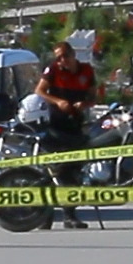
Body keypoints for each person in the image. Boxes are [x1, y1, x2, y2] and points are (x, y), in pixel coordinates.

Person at [36, 40, 99, 229]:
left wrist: (84, 104)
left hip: (76, 124)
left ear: (73, 54)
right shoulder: (54, 70)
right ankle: (45, 216)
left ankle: (69, 215)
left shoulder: (86, 71)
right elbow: (39, 90)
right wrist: (58, 102)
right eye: (59, 58)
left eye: (65, 56)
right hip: (56, 125)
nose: (62, 60)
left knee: (73, 170)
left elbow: (93, 96)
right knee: (55, 169)